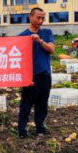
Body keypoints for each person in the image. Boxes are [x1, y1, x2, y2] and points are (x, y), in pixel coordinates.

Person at [18, 7, 55, 139]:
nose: (40, 20)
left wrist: (39, 41)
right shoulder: (22, 36)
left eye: (42, 18)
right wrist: (24, 76)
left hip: (44, 74)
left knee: (42, 103)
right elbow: (19, 59)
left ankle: (40, 126)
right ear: (30, 17)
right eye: (38, 17)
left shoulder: (47, 32)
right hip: (30, 76)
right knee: (26, 103)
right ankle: (22, 129)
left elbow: (51, 49)